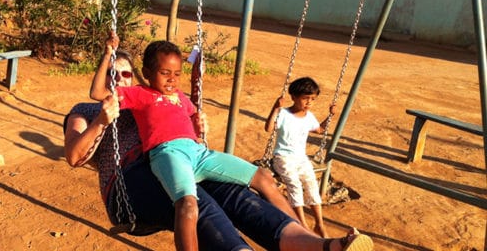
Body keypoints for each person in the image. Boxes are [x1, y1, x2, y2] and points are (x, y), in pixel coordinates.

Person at [88, 34, 372, 251]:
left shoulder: (182, 98)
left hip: (200, 153)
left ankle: (303, 240)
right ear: (148, 74)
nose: (173, 80)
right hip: (168, 154)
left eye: (177, 73)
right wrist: (108, 53)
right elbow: (97, 91)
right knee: (188, 206)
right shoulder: (141, 94)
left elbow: (193, 110)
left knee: (262, 177)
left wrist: (197, 116)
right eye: (165, 74)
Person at [265, 77, 334, 238]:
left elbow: (319, 130)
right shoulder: (283, 113)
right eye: (305, 98)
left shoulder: (309, 116)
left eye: (312, 99)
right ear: (294, 97)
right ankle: (303, 224)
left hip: (301, 158)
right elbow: (268, 128)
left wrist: (331, 115)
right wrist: (275, 108)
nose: (309, 102)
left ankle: (319, 224)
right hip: (282, 157)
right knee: (294, 184)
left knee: (311, 183)